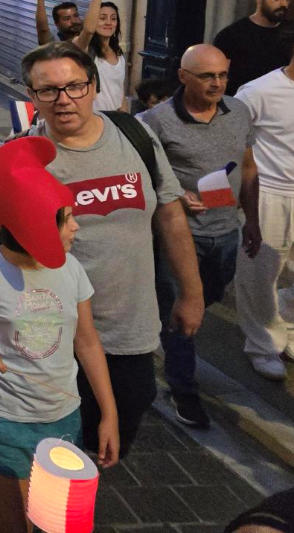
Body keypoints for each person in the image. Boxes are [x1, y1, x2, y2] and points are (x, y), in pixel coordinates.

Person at [0, 41, 203, 458]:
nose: (63, 100)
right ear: (31, 96)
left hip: (129, 327)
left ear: (92, 86)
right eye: (48, 90)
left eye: (74, 87)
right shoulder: (24, 156)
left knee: (120, 424)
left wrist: (191, 294)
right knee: (52, 450)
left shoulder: (135, 135)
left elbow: (171, 217)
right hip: (52, 336)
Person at [0, 138, 119, 533]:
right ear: (33, 224)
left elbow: (86, 342)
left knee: (59, 521)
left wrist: (108, 413)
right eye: (65, 218)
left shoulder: (72, 270)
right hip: (1, 418)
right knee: (13, 522)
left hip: (61, 417)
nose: (76, 226)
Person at [140, 44, 260, 418]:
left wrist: (252, 219)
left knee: (207, 296)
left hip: (225, 230)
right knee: (183, 309)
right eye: (208, 76)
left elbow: (248, 166)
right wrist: (176, 195)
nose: (218, 83)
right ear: (183, 77)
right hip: (180, 236)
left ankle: (166, 321)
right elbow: (144, 175)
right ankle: (183, 387)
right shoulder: (156, 121)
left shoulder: (238, 111)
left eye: (223, 75)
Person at [234, 47, 294, 381]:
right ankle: (262, 344)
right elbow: (235, 143)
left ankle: (286, 322)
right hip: (270, 191)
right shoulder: (258, 91)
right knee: (260, 275)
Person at [214, 0, 293, 95]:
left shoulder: (290, 33)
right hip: (242, 104)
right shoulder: (231, 35)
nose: (284, 4)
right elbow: (218, 78)